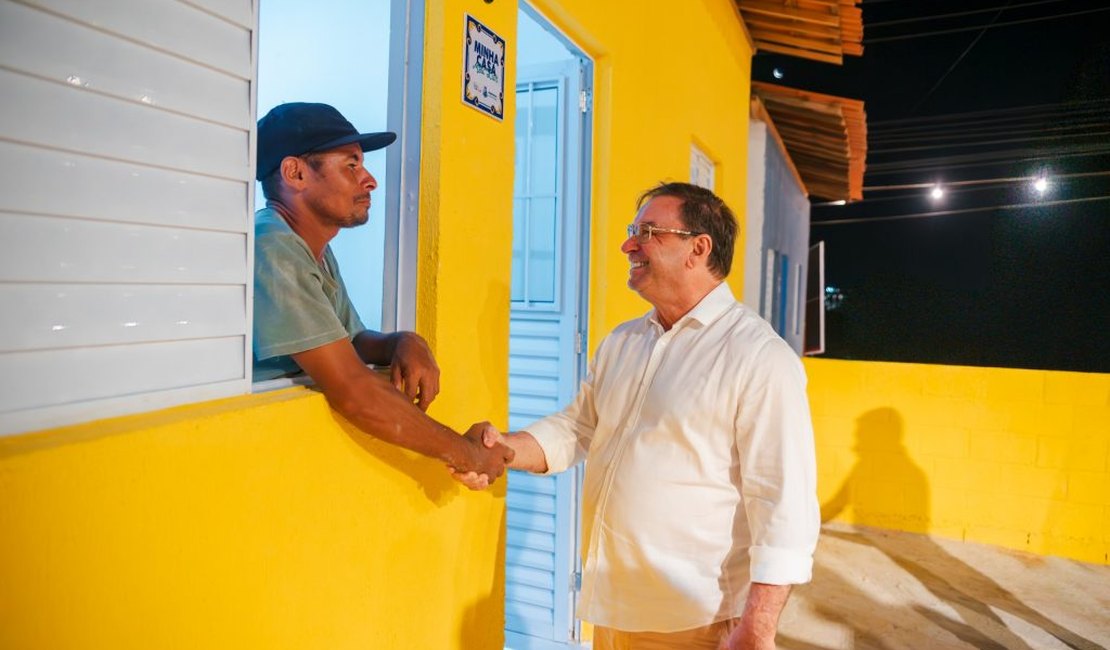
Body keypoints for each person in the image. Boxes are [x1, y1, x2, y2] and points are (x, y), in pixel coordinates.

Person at [455, 182, 820, 649]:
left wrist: (759, 627)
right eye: (633, 230)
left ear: (698, 248)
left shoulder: (758, 357)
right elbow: (578, 427)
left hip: (693, 619)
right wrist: (501, 449)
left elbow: (783, 503)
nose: (629, 244)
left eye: (648, 231)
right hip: (613, 604)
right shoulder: (626, 341)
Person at [253, 102, 513, 480]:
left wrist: (404, 342)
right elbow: (353, 390)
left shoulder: (311, 250)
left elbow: (351, 339)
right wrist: (468, 453)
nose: (370, 180)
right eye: (351, 165)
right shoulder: (272, 247)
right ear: (295, 173)